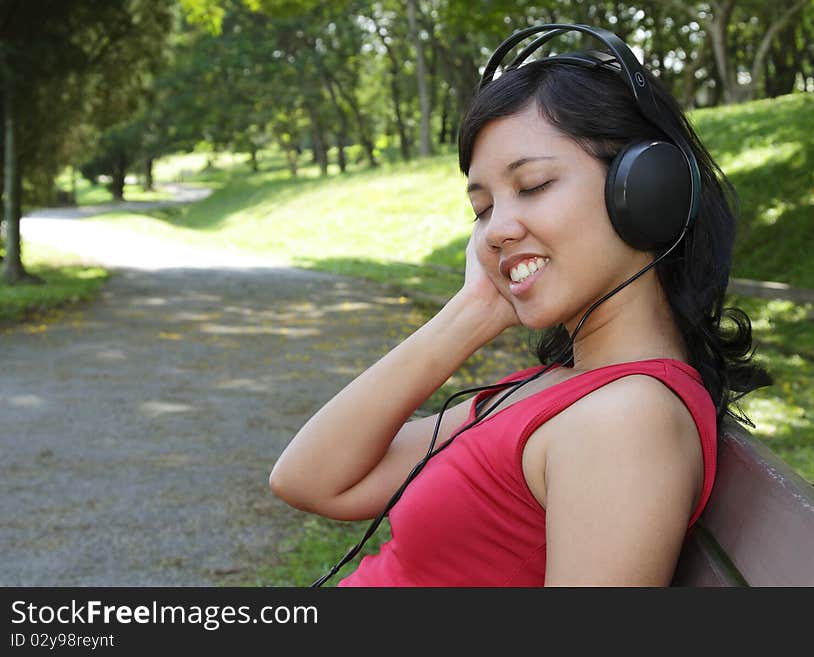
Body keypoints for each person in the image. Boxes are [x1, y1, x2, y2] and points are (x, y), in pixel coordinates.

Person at [269, 24, 770, 587]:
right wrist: (472, 311)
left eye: (532, 185)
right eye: (482, 208)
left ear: (648, 191)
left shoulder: (624, 420)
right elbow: (312, 479)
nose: (496, 231)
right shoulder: (561, 387)